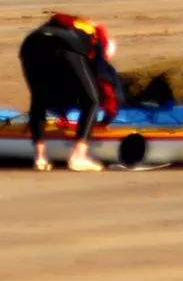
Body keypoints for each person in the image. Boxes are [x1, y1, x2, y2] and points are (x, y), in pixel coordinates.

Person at [18, 12, 122, 172]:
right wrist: (108, 115)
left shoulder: (78, 25)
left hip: (31, 44)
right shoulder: (98, 42)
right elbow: (104, 79)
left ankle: (40, 158)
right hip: (66, 45)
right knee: (91, 100)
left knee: (39, 98)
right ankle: (78, 157)